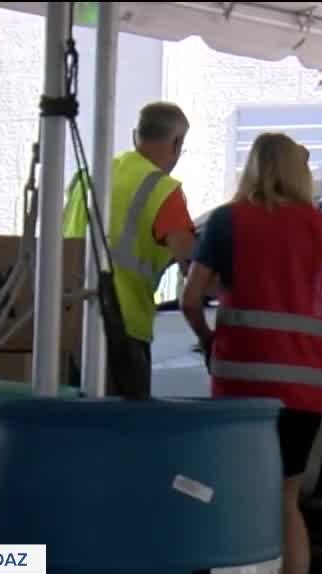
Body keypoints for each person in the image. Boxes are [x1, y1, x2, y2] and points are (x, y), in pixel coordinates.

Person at [179, 133, 322, 574]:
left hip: (239, 389)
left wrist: (209, 341)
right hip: (301, 391)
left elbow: (190, 299)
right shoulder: (319, 226)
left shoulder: (227, 221)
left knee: (228, 488)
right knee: (286, 500)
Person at [62, 101, 197, 399]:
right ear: (176, 143)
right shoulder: (163, 190)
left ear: (137, 135)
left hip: (69, 327)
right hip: (123, 327)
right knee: (122, 431)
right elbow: (192, 262)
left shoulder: (86, 177)